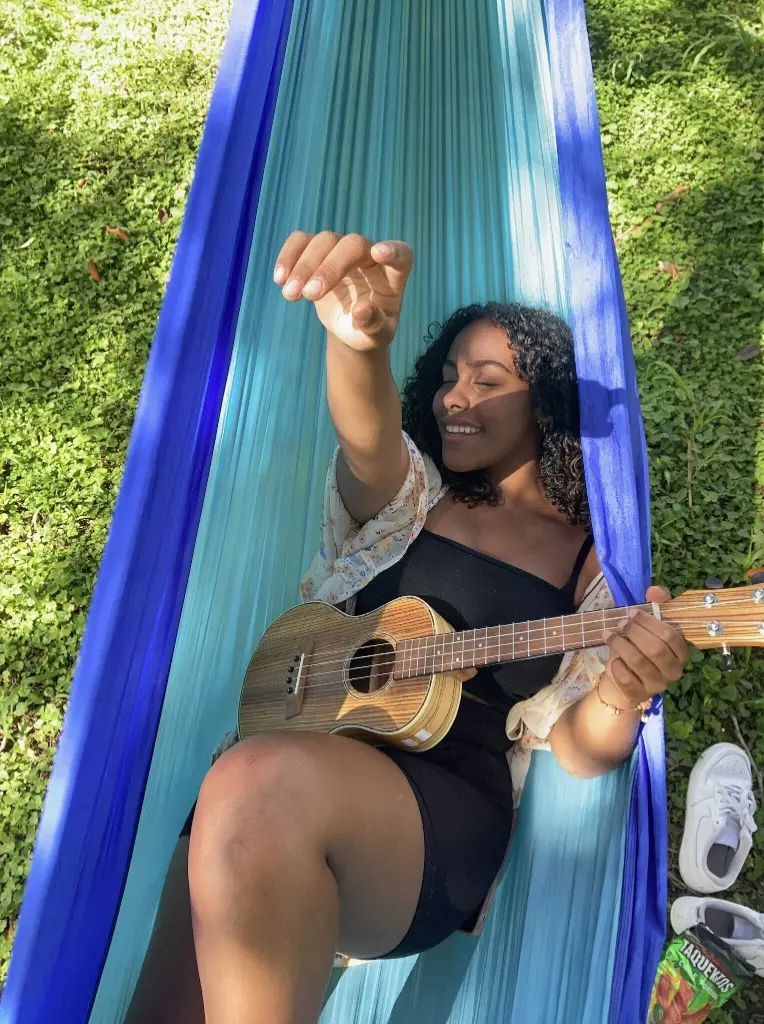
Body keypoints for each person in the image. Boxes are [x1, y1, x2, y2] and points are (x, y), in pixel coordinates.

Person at [126, 231, 689, 1024]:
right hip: (271, 778)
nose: (455, 397)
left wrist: (625, 689)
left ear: (547, 403)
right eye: (448, 378)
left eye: (487, 381)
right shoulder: (413, 500)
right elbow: (368, 443)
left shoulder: (591, 564)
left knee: (256, 780)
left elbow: (579, 748)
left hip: (433, 817)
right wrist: (358, 345)